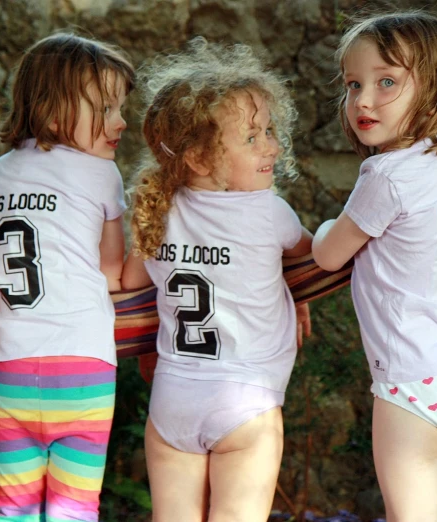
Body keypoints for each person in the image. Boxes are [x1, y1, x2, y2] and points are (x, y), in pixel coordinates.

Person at [312, 12, 437, 521]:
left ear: (432, 86)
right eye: (354, 84)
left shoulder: (387, 176)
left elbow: (329, 254)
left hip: (413, 383)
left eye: (386, 81)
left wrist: (327, 226)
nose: (363, 100)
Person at [120, 38, 313, 522]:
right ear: (200, 159)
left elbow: (130, 279)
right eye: (252, 138)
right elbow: (316, 263)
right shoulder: (269, 212)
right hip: (246, 406)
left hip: (172, 402)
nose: (271, 145)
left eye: (270, 130)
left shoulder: (157, 213)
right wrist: (301, 298)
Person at [0, 33, 134, 521]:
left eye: (120, 107)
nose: (121, 121)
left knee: (13, 508)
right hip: (82, 368)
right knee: (75, 507)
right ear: (50, 112)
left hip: (9, 370)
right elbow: (112, 274)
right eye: (105, 108)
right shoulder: (100, 175)